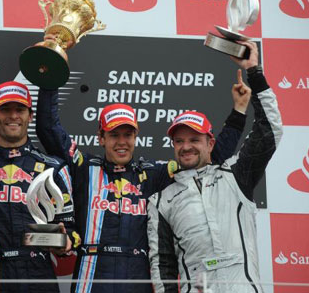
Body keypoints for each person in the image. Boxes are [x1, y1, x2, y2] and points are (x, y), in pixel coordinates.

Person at [35, 68, 248, 292]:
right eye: (114, 135)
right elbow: (48, 129)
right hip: (92, 277)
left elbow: (208, 159)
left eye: (128, 134)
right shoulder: (83, 167)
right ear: (101, 137)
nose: (122, 142)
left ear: (136, 137)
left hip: (138, 275)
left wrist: (239, 112)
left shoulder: (154, 173)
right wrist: (51, 71)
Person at [147, 41, 283, 293]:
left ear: (210, 143)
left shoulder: (236, 175)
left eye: (194, 140)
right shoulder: (160, 201)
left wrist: (254, 71)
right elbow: (162, 265)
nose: (186, 147)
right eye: (179, 141)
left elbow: (269, 132)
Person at [0, 81, 75, 293]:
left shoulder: (53, 168)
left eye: (20, 109)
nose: (13, 116)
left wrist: (64, 242)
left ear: (30, 116)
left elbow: (69, 229)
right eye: (5, 109)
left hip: (38, 273)